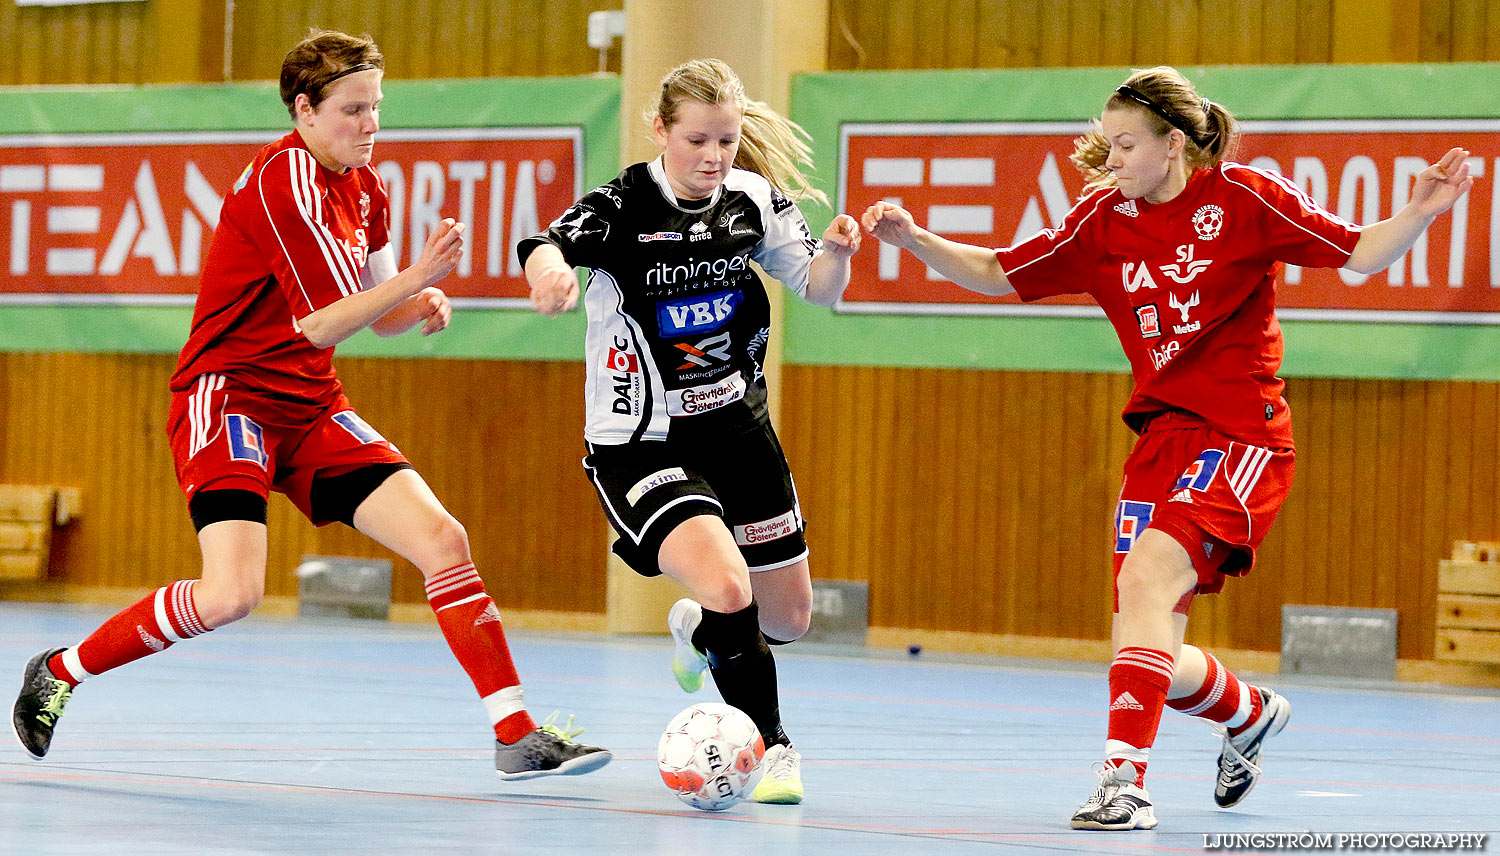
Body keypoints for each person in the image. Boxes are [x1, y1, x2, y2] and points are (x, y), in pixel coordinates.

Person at [861, 66, 1472, 830]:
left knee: (1149, 579)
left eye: (1123, 144)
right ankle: (1248, 713)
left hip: (1242, 432)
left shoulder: (1244, 198)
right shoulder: (1100, 221)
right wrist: (915, 238)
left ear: (1172, 143)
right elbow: (996, 272)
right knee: (1144, 639)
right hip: (1161, 439)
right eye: (1106, 144)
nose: (1109, 158)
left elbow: (1362, 253)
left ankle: (1124, 785)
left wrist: (1420, 211)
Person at [10, 29, 611, 782]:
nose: (371, 125)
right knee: (231, 594)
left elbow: (375, 312)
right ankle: (62, 668)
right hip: (228, 397)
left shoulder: (367, 185)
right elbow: (321, 320)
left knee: (443, 540)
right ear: (305, 109)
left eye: (377, 107)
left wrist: (417, 298)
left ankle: (515, 734)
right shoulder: (283, 182)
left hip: (310, 404)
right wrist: (417, 273)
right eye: (354, 109)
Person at [518, 58, 860, 805]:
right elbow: (541, 241)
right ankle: (774, 750)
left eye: (727, 142)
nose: (713, 157)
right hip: (642, 440)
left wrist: (835, 250)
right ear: (661, 131)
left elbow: (819, 289)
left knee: (788, 620)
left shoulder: (752, 201)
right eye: (698, 140)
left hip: (739, 427)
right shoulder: (621, 206)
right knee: (728, 582)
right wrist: (548, 272)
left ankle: (698, 629)